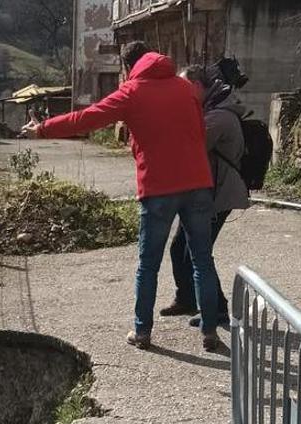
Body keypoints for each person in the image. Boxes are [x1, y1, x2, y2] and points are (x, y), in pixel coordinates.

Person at [21, 41, 222, 351]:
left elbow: (87, 118)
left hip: (158, 188)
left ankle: (142, 332)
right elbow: (199, 133)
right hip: (197, 184)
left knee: (148, 263)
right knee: (202, 260)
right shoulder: (186, 89)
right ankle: (210, 331)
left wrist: (43, 129)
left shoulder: (132, 92)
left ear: (129, 66)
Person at [159, 64, 250, 328]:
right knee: (180, 248)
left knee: (198, 253)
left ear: (198, 87)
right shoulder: (209, 111)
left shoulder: (217, 118)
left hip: (217, 194)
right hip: (203, 192)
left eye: (184, 88)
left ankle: (217, 309)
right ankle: (186, 298)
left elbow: (187, 145)